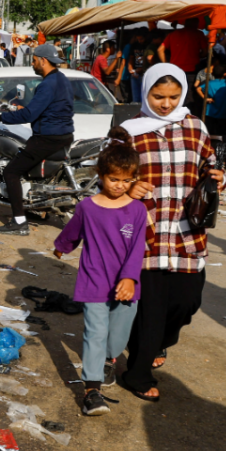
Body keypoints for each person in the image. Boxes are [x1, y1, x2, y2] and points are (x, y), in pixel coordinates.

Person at [119, 63, 224, 402]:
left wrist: (216, 173)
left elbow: (208, 161)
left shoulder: (195, 126)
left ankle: (159, 339)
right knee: (151, 306)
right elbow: (106, 174)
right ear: (145, 92)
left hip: (186, 232)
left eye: (173, 97)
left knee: (187, 301)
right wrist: (130, 186)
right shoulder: (128, 131)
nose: (165, 104)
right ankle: (137, 373)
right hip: (146, 232)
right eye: (158, 96)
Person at [52, 129, 147, 416]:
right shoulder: (87, 207)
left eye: (126, 180)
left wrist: (130, 278)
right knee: (95, 332)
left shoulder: (138, 210)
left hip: (127, 284)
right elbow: (72, 233)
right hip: (93, 280)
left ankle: (108, 360)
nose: (119, 185)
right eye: (113, 179)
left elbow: (137, 249)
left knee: (117, 336)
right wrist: (61, 247)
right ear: (101, 175)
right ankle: (92, 391)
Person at [0, 43, 75, 235]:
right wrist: (24, 110)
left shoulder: (47, 84)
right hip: (63, 135)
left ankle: (19, 222)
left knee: (11, 172)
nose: (32, 64)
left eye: (34, 61)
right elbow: (51, 108)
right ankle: (35, 208)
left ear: (43, 61)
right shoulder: (62, 79)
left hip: (47, 138)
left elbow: (29, 115)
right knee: (27, 168)